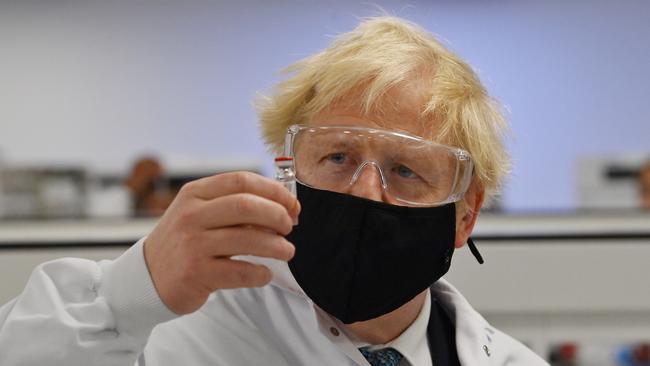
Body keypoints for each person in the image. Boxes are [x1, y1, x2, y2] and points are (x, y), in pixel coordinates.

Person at [0, 16, 549, 366]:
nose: (363, 192)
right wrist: (132, 291)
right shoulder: (174, 325)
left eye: (405, 171)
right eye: (337, 157)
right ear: (289, 168)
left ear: (464, 217)